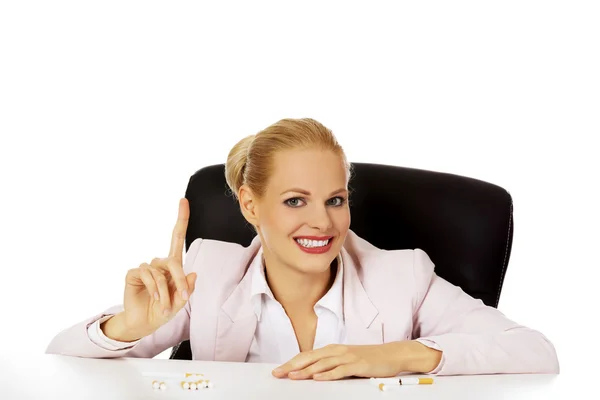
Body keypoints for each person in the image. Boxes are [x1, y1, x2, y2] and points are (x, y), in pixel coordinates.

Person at [46, 118, 559, 380]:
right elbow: (59, 362)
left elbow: (536, 353)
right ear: (250, 205)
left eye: (335, 199)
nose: (323, 221)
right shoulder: (209, 272)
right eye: (295, 200)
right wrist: (129, 329)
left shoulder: (403, 277)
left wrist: (393, 356)